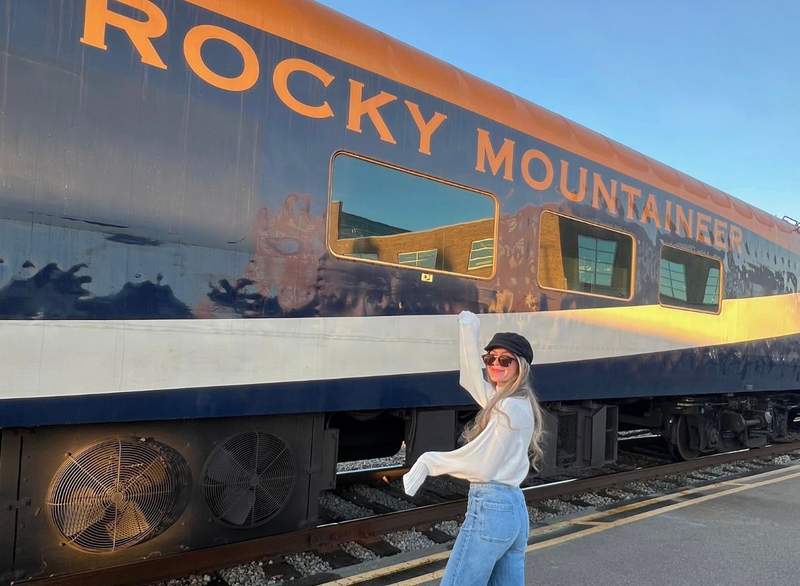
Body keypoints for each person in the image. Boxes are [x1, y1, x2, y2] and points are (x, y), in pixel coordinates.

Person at [403, 310, 544, 585]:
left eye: (505, 360)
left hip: (491, 509)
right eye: (490, 358)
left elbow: (482, 465)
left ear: (520, 367)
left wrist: (429, 462)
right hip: (513, 510)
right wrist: (468, 330)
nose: (495, 364)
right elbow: (471, 380)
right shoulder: (513, 400)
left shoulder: (508, 408)